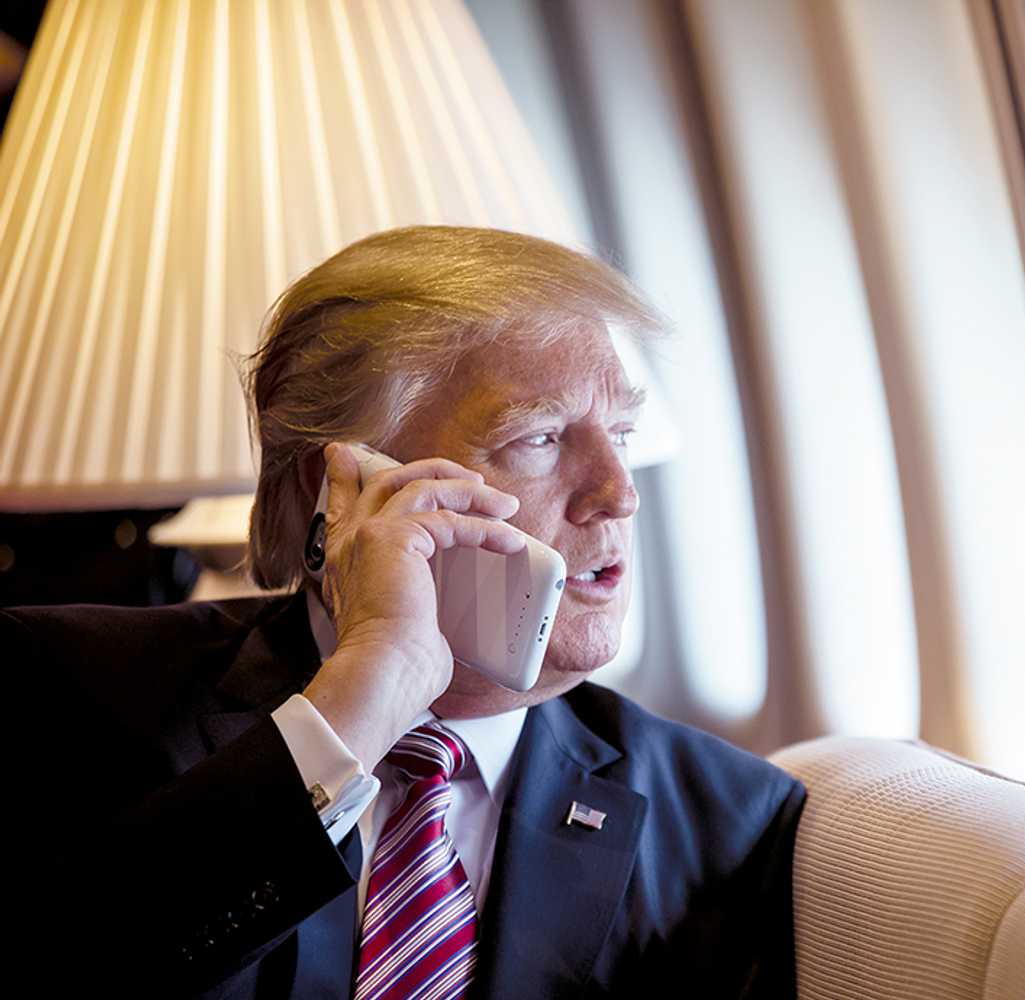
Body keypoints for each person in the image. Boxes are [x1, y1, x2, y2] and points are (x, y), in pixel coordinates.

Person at [8, 226, 805, 998]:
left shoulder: (730, 820)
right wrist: (370, 688)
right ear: (344, 489)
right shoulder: (69, 685)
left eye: (622, 433)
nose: (618, 492)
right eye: (539, 437)